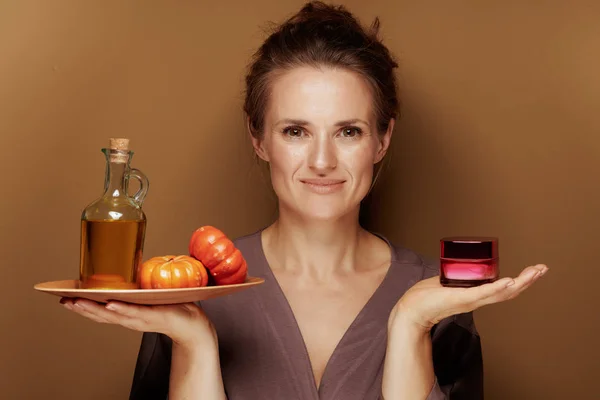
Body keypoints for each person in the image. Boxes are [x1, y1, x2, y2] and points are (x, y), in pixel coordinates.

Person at [60, 2, 548, 399]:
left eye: (349, 132)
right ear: (259, 139)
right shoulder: (191, 294)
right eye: (295, 131)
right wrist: (196, 342)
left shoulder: (438, 299)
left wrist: (408, 326)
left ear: (382, 140)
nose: (321, 160)